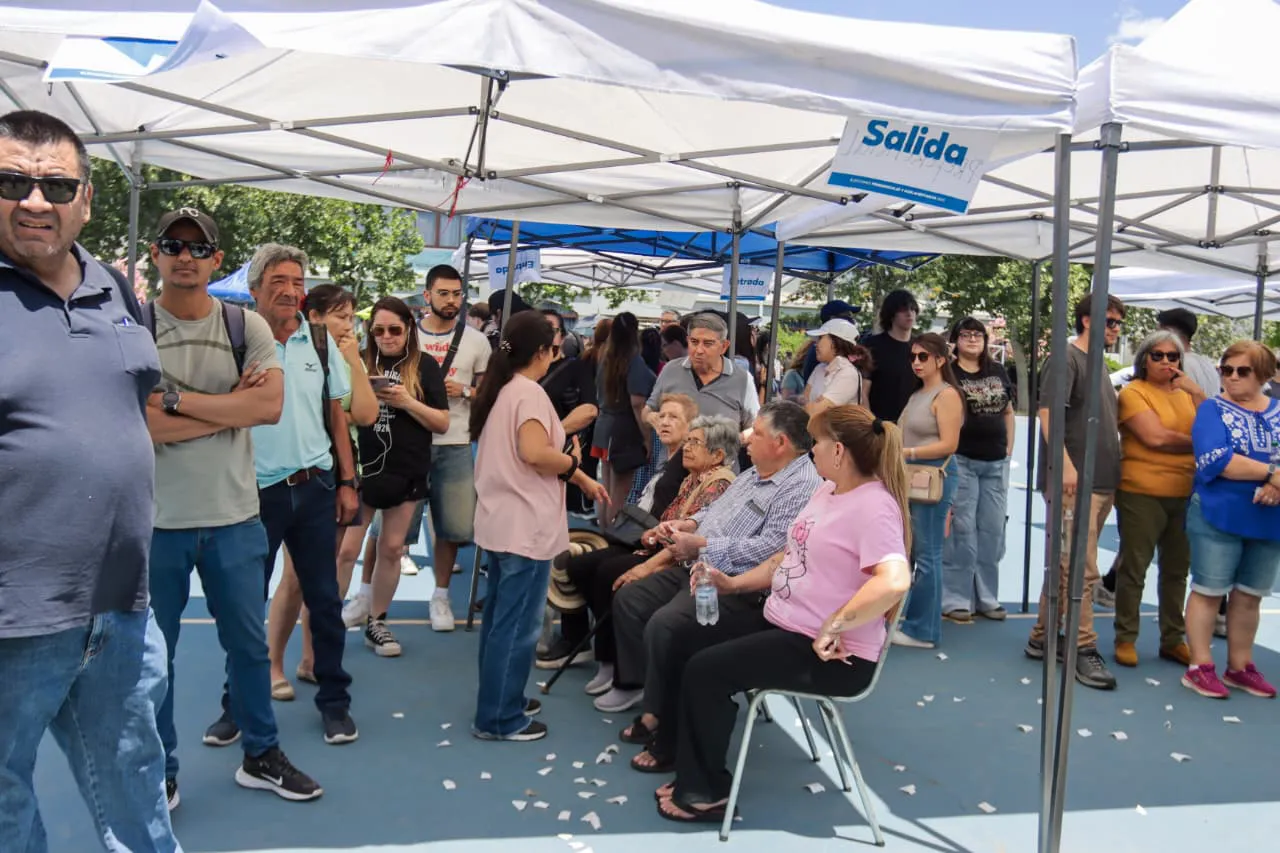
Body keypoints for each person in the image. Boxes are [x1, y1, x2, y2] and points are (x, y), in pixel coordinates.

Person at [0, 109, 181, 853]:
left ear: (86, 197)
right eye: (12, 181)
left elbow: (126, 404)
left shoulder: (112, 285)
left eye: (54, 184)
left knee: (134, 779)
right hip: (14, 619)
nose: (34, 201)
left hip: (118, 609)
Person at [653, 406, 912, 822]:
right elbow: (786, 556)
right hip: (786, 621)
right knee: (683, 635)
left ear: (840, 451)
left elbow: (894, 580)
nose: (812, 453)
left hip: (830, 653)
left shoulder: (874, 507)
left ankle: (704, 794)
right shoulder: (827, 491)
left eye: (819, 444)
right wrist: (732, 583)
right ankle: (684, 761)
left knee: (707, 671)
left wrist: (836, 623)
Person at [142, 207, 321, 806]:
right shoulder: (133, 326)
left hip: (234, 518)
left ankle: (260, 754)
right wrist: (223, 406)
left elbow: (265, 409)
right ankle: (161, 767)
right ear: (155, 253)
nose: (185, 255)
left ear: (218, 260)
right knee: (153, 658)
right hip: (156, 523)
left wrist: (172, 403)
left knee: (248, 647)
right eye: (173, 244)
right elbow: (133, 425)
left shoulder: (248, 328)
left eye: (198, 247)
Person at [596, 401, 821, 741]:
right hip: (700, 564)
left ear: (781, 444)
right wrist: (687, 523)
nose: (747, 441)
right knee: (631, 597)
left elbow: (771, 549)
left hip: (740, 586)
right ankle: (644, 684)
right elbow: (717, 510)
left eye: (757, 434)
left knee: (667, 624)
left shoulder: (800, 485)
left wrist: (700, 545)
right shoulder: (755, 471)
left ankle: (658, 712)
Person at [234, 243, 359, 746]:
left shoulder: (321, 341)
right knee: (244, 604)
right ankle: (235, 704)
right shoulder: (235, 337)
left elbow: (339, 417)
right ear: (255, 290)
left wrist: (348, 482)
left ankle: (335, 702)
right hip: (252, 494)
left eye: (297, 282)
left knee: (325, 602)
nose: (289, 290)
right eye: (278, 281)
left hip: (315, 489)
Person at [469, 311, 609, 740]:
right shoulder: (527, 393)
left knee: (500, 621)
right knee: (516, 627)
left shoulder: (505, 390)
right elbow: (534, 452)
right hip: (522, 526)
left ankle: (502, 700)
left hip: (502, 521)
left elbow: (526, 448)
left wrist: (564, 446)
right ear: (544, 351)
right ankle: (499, 716)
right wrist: (573, 465)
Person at [554, 408, 738, 698]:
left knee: (614, 579)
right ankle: (605, 656)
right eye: (687, 441)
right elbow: (673, 520)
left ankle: (628, 674)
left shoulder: (719, 483)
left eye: (695, 443)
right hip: (661, 548)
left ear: (717, 455)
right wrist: (655, 535)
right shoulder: (692, 476)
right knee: (583, 565)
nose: (687, 448)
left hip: (689, 567)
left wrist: (651, 555)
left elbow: (692, 539)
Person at [268, 285, 377, 699]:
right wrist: (339, 412)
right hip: (299, 473)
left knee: (323, 578)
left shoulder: (342, 356)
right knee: (294, 577)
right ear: (314, 317)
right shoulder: (298, 352)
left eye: (351, 316)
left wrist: (352, 359)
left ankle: (311, 660)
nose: (350, 324)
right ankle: (273, 664)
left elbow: (365, 414)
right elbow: (308, 410)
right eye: (341, 316)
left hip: (337, 476)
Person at [337, 297, 449, 656]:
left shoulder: (425, 366)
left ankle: (378, 621)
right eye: (379, 330)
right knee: (346, 550)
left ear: (409, 329)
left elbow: (443, 422)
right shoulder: (358, 362)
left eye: (395, 330)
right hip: (362, 469)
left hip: (407, 470)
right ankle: (327, 620)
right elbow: (337, 412)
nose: (386, 337)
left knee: (392, 548)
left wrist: (406, 402)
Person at [1025, 292, 1126, 691]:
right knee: (1082, 568)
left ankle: (1042, 635)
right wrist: (1064, 466)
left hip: (1100, 480)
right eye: (1113, 322)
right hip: (1076, 481)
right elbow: (1049, 412)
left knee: (1067, 563)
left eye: (1119, 323)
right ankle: (1082, 648)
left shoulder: (1098, 364)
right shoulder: (1067, 358)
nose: (1117, 330)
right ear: (1089, 320)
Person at [1182, 342, 1280, 700]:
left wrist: (1275, 484)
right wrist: (1273, 471)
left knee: (1250, 595)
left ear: (1265, 375)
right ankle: (1200, 666)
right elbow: (1217, 460)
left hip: (1269, 517)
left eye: (1243, 371)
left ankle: (1240, 666)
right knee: (1209, 591)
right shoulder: (1212, 410)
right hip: (1217, 515)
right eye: (1226, 369)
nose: (1232, 377)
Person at [1112, 331, 1203, 668]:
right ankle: (1126, 638)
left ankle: (1172, 639)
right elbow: (1155, 438)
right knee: (1134, 568)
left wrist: (1196, 392)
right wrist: (1201, 444)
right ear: (1144, 359)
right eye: (1158, 355)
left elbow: (1217, 428)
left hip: (1186, 493)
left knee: (1177, 571)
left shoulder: (1187, 394)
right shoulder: (1133, 392)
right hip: (1141, 492)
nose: (1167, 361)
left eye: (1173, 356)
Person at [413, 265, 490, 631]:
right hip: (409, 444)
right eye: (443, 293)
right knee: (389, 531)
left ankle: (441, 596)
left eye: (457, 294)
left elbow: (490, 395)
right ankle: (368, 597)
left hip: (457, 444)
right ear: (427, 295)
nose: (452, 300)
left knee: (453, 529)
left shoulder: (477, 341)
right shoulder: (407, 335)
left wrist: (468, 392)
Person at [941, 317, 1015, 624]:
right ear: (956, 340)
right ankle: (956, 598)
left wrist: (1008, 450)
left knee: (992, 531)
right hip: (964, 460)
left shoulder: (997, 370)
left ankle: (987, 596)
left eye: (978, 335)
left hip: (996, 461)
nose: (972, 339)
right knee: (962, 531)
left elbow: (1008, 411)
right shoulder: (949, 373)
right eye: (966, 334)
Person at [893, 333, 963, 650]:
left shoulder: (946, 395)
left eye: (923, 356)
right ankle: (915, 621)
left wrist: (907, 453)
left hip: (933, 476)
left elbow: (950, 444)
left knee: (928, 554)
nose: (916, 362)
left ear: (940, 359)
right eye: (913, 357)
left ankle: (924, 630)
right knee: (914, 552)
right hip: (912, 476)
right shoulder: (919, 393)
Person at [645, 312, 758, 454]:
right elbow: (648, 410)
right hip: (671, 466)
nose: (699, 350)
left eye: (708, 344)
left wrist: (726, 443)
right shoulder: (671, 369)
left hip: (718, 469)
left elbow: (755, 427)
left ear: (724, 346)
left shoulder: (742, 379)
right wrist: (656, 420)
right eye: (694, 342)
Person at [592, 312, 657, 526]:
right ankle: (611, 535)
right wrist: (647, 437)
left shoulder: (605, 356)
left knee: (607, 487)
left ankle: (603, 529)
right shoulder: (633, 360)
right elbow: (637, 402)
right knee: (619, 490)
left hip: (603, 428)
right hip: (623, 430)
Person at [540, 307, 600, 516]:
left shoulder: (574, 367)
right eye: (538, 329)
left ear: (562, 336)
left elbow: (590, 409)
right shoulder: (516, 368)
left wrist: (552, 432)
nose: (545, 336)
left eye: (551, 330)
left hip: (558, 453)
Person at [864, 289, 920, 422]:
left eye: (913, 309)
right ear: (891, 314)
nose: (909, 313)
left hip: (914, 425)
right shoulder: (873, 345)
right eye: (903, 309)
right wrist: (871, 423)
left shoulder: (921, 346)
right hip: (880, 425)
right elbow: (863, 392)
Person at [803, 318, 871, 414]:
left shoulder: (848, 374)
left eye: (821, 337)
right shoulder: (819, 368)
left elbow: (816, 412)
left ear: (836, 341)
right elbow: (803, 401)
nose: (816, 344)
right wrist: (812, 404)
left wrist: (812, 404)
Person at [799, 299, 860, 384]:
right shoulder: (820, 354)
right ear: (833, 319)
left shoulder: (835, 351)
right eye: (848, 316)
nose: (852, 320)